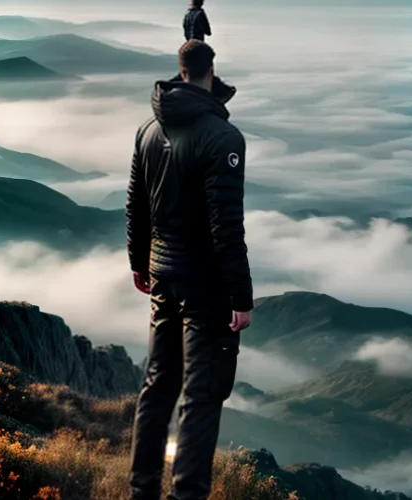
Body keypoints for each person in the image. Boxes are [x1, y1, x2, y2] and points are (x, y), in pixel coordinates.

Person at [126, 39, 252, 500]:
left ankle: (142, 491)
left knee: (158, 387)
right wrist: (241, 297)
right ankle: (187, 494)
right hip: (207, 288)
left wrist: (140, 263)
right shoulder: (223, 139)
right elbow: (226, 228)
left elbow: (136, 207)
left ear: (179, 70)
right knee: (201, 398)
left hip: (163, 275)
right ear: (211, 70)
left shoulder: (147, 128)